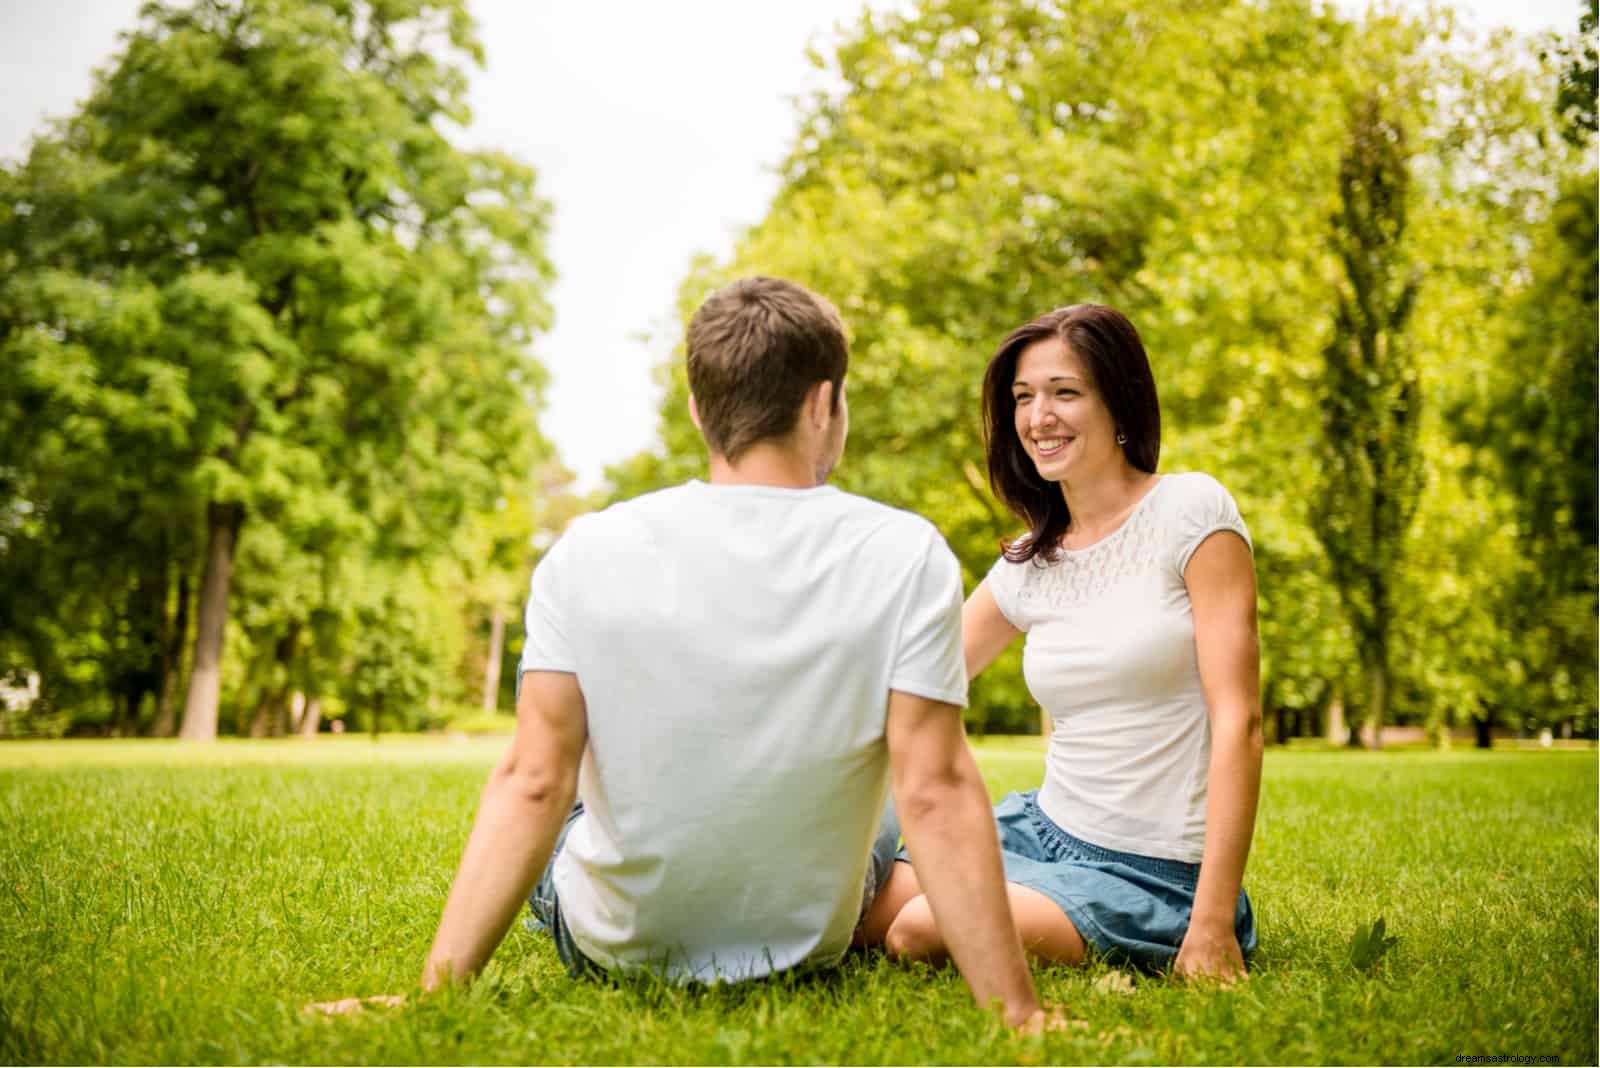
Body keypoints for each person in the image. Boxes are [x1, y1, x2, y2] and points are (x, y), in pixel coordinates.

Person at [312, 277, 1056, 1030]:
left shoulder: (587, 549)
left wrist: (432, 998)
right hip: (803, 948)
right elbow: (936, 790)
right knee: (894, 802)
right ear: (823, 403)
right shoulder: (904, 551)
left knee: (567, 789)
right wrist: (1019, 1012)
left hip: (611, 946)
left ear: (701, 409)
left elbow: (532, 783)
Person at [869, 303, 1262, 981]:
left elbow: (1240, 721)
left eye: (1065, 392)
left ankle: (1143, 919)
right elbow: (914, 682)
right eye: (1024, 397)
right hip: (1039, 835)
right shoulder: (1031, 560)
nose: (1038, 417)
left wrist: (1211, 921)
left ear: (1120, 405)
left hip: (1154, 875)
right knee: (852, 908)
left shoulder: (1191, 512)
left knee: (918, 930)